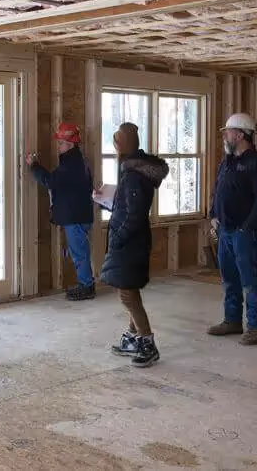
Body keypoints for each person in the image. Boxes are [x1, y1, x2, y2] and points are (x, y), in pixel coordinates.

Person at [99, 123, 169, 368]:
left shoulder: (132, 175)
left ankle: (147, 343)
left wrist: (117, 237)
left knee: (127, 294)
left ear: (122, 145)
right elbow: (128, 207)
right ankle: (133, 338)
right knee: (129, 290)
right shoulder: (133, 172)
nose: (114, 146)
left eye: (116, 141)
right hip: (133, 241)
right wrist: (107, 201)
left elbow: (134, 215)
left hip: (130, 243)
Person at [207, 112, 257, 346]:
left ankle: (255, 327)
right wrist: (213, 216)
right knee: (229, 278)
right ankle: (232, 320)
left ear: (240, 134)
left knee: (249, 280)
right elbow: (218, 190)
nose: (224, 135)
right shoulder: (227, 162)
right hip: (225, 229)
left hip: (244, 233)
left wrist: (247, 228)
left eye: (228, 131)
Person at [26, 123, 95, 301]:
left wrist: (34, 165)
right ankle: (86, 284)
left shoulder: (71, 164)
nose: (59, 146)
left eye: (61, 143)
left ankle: (87, 287)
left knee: (79, 253)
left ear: (70, 144)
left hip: (76, 216)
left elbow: (50, 181)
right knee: (78, 251)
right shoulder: (77, 160)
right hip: (79, 213)